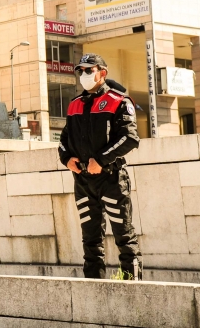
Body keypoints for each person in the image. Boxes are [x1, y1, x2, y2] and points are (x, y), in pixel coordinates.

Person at [58, 53, 142, 280]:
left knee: (124, 236)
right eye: (80, 71)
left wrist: (101, 160)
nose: (83, 75)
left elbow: (130, 138)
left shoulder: (118, 101)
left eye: (88, 70)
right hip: (83, 182)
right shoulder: (74, 105)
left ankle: (132, 287)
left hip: (112, 179)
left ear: (102, 73)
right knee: (91, 241)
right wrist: (67, 159)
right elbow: (63, 140)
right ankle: (93, 290)